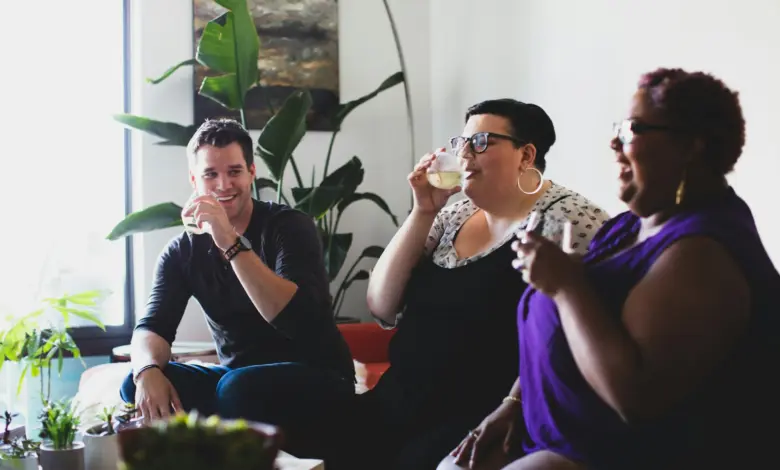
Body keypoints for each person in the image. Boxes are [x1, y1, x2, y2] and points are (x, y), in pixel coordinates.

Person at [444, 69, 780, 470]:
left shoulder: (702, 255)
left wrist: (566, 287)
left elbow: (637, 399)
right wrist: (513, 405)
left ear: (691, 146)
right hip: (547, 435)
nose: (614, 142)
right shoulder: (629, 226)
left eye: (633, 129)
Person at [308, 99, 609, 470]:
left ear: (526, 154)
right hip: (399, 399)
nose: (464, 154)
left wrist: (512, 406)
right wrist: (423, 210)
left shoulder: (571, 221)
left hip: (480, 412)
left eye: (481, 142)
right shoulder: (453, 212)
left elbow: (574, 337)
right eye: (460, 143)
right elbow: (381, 305)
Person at [119, 118, 355, 440]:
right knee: (137, 380)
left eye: (234, 172)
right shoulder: (181, 252)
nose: (223, 185)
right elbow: (152, 327)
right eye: (210, 174)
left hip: (318, 374)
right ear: (194, 180)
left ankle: (224, 442)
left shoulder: (289, 226)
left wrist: (228, 240)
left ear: (251, 173)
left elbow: (295, 319)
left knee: (236, 388)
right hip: (238, 379)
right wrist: (146, 371)